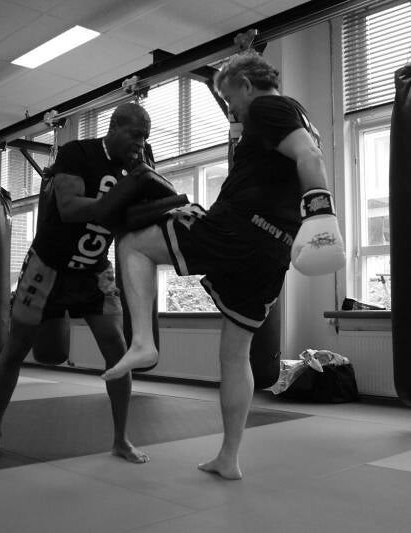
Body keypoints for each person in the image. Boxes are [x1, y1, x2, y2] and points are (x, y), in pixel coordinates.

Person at [100, 51, 345, 480]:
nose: (231, 109)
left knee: (134, 244)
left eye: (229, 98)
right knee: (235, 356)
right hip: (273, 250)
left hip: (238, 228)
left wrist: (322, 213)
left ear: (246, 85)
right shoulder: (303, 117)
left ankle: (142, 341)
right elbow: (303, 155)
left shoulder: (269, 107)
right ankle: (229, 457)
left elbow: (310, 159)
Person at [0, 102, 170, 463]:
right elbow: (69, 208)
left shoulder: (141, 163)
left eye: (145, 136)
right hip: (47, 267)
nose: (140, 143)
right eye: (134, 134)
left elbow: (151, 210)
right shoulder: (78, 152)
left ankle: (121, 440)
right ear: (113, 128)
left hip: (93, 270)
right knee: (16, 347)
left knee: (118, 350)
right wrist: (128, 187)